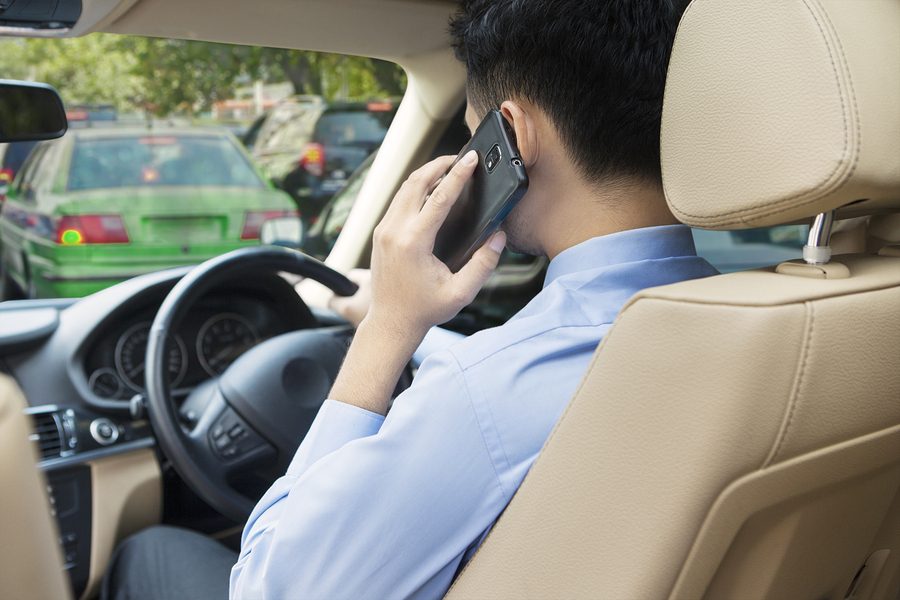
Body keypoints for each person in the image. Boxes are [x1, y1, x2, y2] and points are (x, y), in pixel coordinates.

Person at [103, 1, 717, 599]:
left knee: (151, 552)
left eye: (476, 132)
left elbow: (270, 586)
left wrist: (387, 328)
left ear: (515, 135)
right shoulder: (749, 315)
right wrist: (410, 325)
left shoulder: (483, 394)